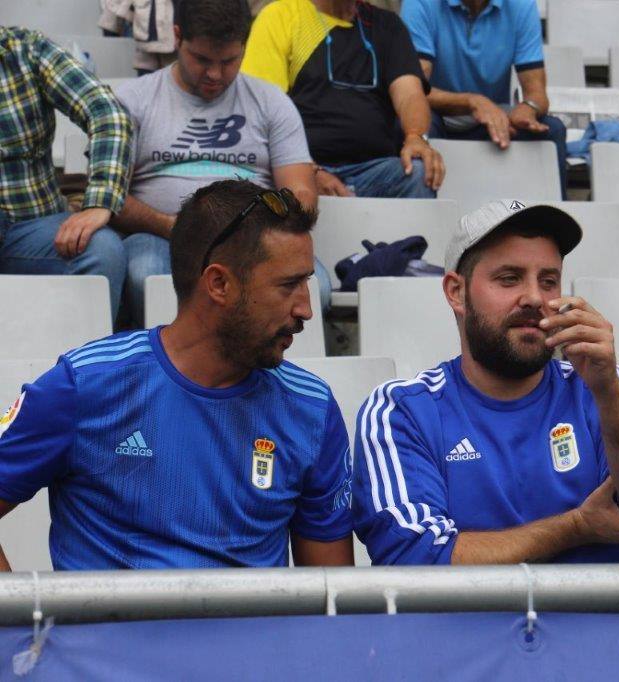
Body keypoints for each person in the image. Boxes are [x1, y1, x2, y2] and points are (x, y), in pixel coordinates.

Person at [0, 180, 354, 570]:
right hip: (108, 631)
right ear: (219, 283)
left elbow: (329, 594)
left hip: (251, 631)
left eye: (306, 282)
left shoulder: (312, 408)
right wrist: (15, 625)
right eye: (288, 285)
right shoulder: (84, 385)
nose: (306, 309)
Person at [352, 200, 619, 565]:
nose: (535, 298)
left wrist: (607, 391)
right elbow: (416, 559)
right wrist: (575, 527)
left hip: (599, 621)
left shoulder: (606, 388)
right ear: (456, 292)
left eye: (549, 281)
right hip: (466, 623)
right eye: (509, 279)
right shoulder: (402, 410)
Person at [111, 0, 332, 327]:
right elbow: (109, 194)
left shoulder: (271, 102)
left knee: (319, 290)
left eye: (229, 61)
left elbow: (300, 191)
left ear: (244, 47)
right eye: (201, 59)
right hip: (159, 235)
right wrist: (176, 227)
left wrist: (252, 231)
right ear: (177, 37)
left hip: (254, 239)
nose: (214, 74)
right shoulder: (133, 100)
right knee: (147, 278)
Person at [241, 0, 445, 199]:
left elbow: (410, 94)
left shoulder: (388, 25)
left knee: (419, 173)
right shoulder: (280, 16)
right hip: (299, 167)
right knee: (289, 185)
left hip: (375, 170)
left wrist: (415, 137)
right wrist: (309, 169)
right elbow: (263, 107)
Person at [0, 26, 131, 321]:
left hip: (32, 227)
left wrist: (100, 201)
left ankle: (88, 364)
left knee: (103, 250)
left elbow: (107, 113)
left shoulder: (26, 49)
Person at [400, 0, 568, 198]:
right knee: (419, 127)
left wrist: (528, 108)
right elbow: (413, 90)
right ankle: (426, 220)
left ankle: (548, 220)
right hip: (438, 114)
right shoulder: (419, 3)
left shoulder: (521, 5)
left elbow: (537, 94)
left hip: (494, 120)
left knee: (552, 130)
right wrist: (472, 102)